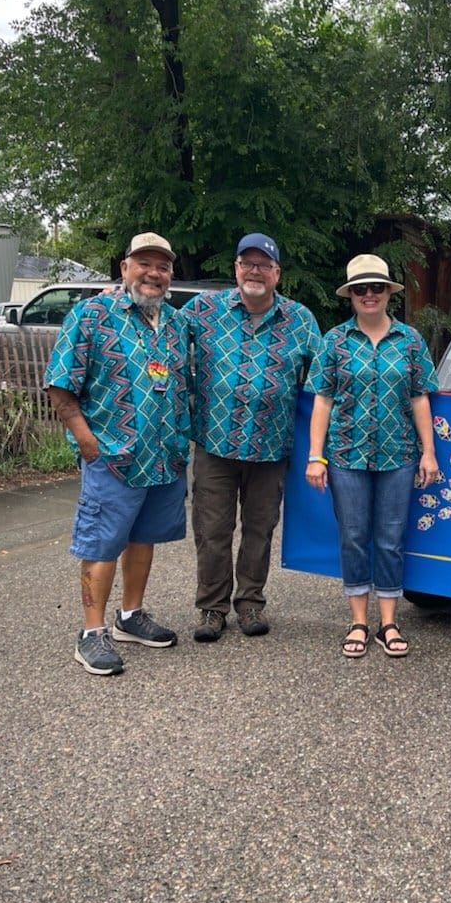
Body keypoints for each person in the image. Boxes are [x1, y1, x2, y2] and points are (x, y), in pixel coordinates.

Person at [45, 232, 192, 676]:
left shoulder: (175, 322)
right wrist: (87, 442)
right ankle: (91, 633)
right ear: (125, 267)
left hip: (163, 455)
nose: (154, 273)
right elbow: (60, 383)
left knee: (142, 537)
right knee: (102, 542)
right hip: (111, 454)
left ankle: (131, 616)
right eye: (144, 263)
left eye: (162, 266)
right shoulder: (92, 315)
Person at [179, 233, 322, 642]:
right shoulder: (203, 310)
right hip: (215, 443)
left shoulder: (300, 319)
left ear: (277, 273)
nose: (254, 271)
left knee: (260, 530)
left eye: (264, 264)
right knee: (212, 530)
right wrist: (124, 302)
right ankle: (211, 609)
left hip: (271, 447)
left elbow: (323, 376)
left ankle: (251, 603)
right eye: (248, 263)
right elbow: (160, 334)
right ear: (236, 269)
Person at [305, 255, 439, 658]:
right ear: (351, 295)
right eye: (360, 288)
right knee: (353, 537)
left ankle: (389, 622)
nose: (369, 295)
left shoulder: (411, 341)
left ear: (387, 293)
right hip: (347, 455)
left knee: (391, 538)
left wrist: (428, 452)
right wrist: (316, 456)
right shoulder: (334, 341)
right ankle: (358, 622)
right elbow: (323, 401)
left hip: (399, 456)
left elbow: (420, 398)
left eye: (376, 287)